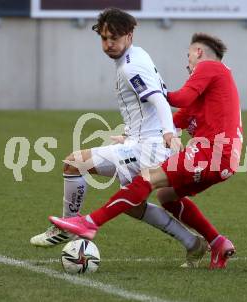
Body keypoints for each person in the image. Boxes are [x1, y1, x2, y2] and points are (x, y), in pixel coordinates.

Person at [30, 8, 209, 268]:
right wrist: (129, 133)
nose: (108, 44)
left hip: (152, 148)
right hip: (143, 142)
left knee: (74, 162)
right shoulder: (136, 55)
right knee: (133, 206)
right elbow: (145, 103)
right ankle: (194, 244)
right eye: (104, 38)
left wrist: (169, 131)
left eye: (114, 38)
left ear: (129, 35)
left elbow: (158, 99)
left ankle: (69, 225)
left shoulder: (131, 66)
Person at [48, 32, 243, 269]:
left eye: (188, 56)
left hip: (213, 152)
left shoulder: (210, 66)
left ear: (198, 52)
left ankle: (90, 222)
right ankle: (217, 243)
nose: (187, 63)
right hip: (224, 160)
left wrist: (153, 88)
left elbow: (179, 98)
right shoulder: (209, 95)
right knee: (166, 196)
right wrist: (131, 136)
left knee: (146, 179)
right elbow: (172, 122)